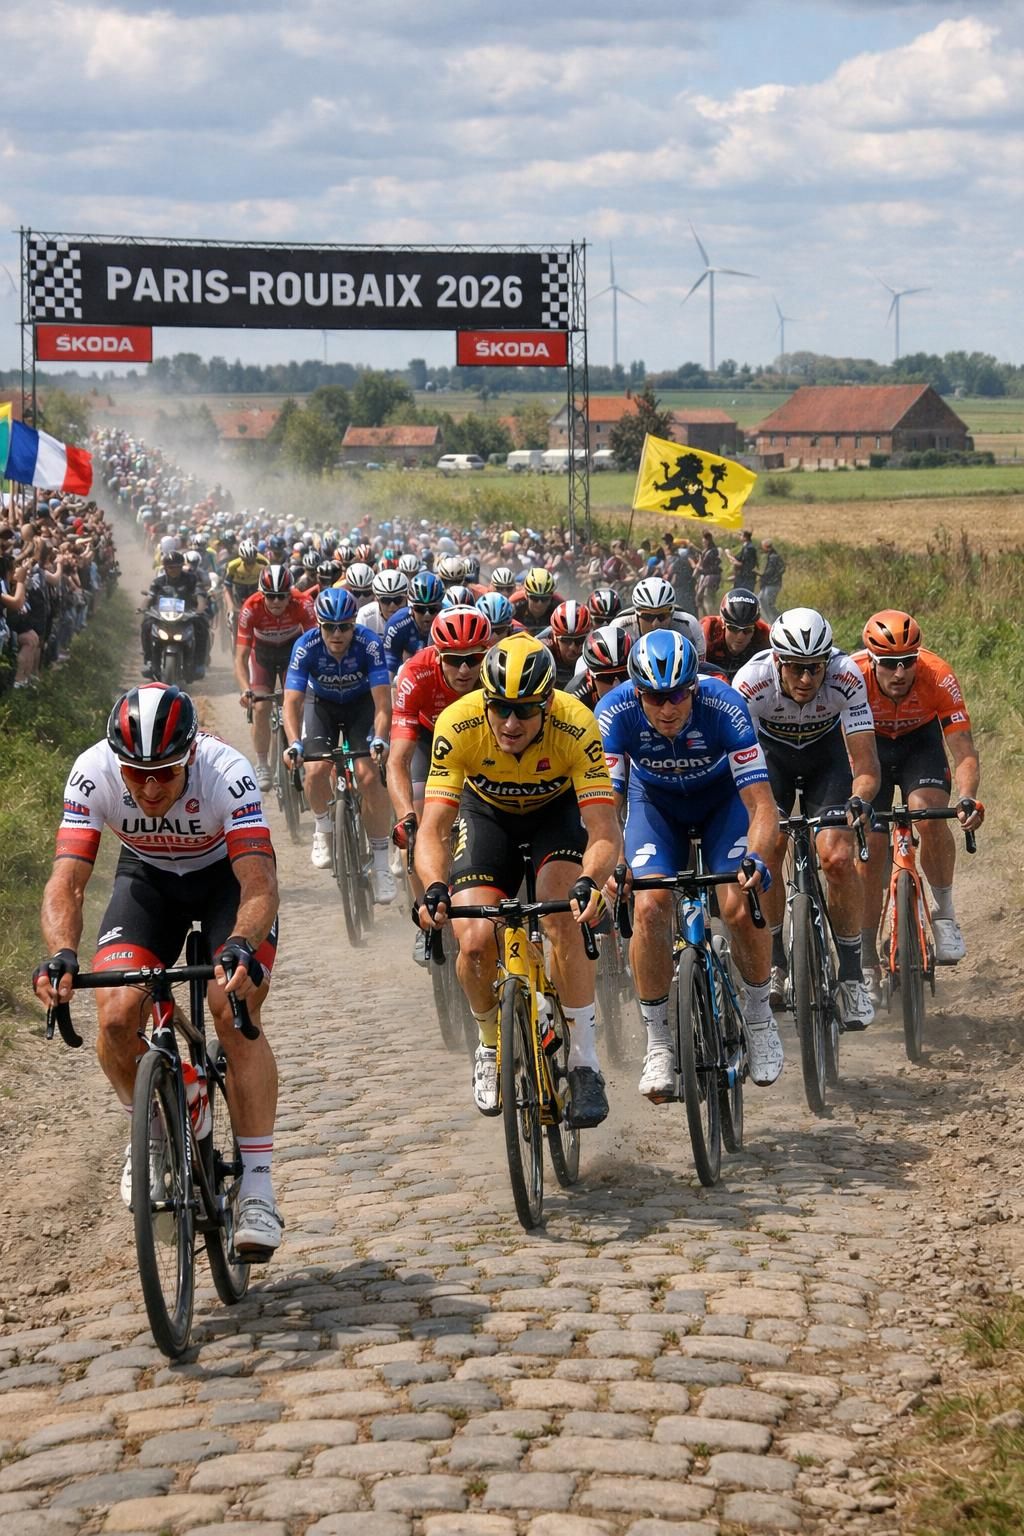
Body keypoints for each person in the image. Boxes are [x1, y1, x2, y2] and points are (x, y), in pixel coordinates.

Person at [31, 683, 284, 1258]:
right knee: (117, 1016)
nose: (148, 787)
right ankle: (152, 1127)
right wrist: (63, 953)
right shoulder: (92, 770)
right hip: (147, 882)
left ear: (190, 755)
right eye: (135, 773)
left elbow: (259, 882)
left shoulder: (226, 770)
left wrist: (241, 943)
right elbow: (67, 880)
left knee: (231, 1007)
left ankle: (259, 1188)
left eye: (165, 773)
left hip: (227, 883)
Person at [415, 636, 622, 1127]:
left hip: (556, 816)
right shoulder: (458, 724)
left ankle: (584, 1063)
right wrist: (433, 887)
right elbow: (434, 828)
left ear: (547, 703)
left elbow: (603, 828)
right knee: (474, 941)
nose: (510, 723)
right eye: (500, 708)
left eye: (525, 711)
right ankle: (490, 1042)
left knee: (562, 913)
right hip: (487, 817)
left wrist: (591, 881)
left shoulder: (576, 724)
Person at [596, 630, 783, 1095]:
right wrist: (615, 865)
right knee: (649, 906)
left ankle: (759, 1016)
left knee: (740, 904)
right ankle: (659, 1040)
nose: (667, 708)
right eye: (654, 698)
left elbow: (762, 806)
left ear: (693, 688)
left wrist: (757, 857)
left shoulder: (724, 705)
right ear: (637, 692)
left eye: (677, 694)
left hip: (723, 803)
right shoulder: (614, 713)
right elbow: (605, 811)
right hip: (655, 807)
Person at [733, 608, 880, 1029]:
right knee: (771, 844)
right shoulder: (750, 682)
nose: (805, 680)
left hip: (826, 761)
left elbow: (866, 763)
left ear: (826, 663)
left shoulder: (846, 675)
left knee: (835, 857)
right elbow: (737, 764)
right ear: (777, 661)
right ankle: (777, 959)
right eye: (796, 669)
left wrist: (859, 798)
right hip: (770, 763)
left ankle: (851, 977)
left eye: (814, 669)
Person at [852, 610, 984, 990]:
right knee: (872, 846)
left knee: (928, 816)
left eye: (908, 662)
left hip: (918, 746)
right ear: (872, 660)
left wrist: (967, 798)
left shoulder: (938, 674)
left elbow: (964, 751)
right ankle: (864, 955)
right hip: (869, 748)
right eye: (889, 664)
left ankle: (943, 914)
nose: (900, 673)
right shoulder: (852, 675)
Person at [388, 606, 493, 960]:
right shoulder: (415, 674)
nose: (465, 669)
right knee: (420, 823)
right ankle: (424, 918)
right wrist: (405, 816)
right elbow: (398, 760)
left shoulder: (496, 673)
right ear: (437, 654)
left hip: (481, 744)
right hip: (427, 739)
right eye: (454, 659)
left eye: (474, 658)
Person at [283, 587, 395, 899]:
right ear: (318, 625)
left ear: (353, 624)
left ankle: (382, 864)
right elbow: (291, 702)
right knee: (317, 769)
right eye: (329, 626)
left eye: (344, 626)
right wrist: (294, 743)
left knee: (370, 775)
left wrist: (382, 740)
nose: (337, 634)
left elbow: (383, 705)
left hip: (362, 707)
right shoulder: (306, 646)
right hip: (322, 706)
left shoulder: (368, 644)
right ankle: (322, 826)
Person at [234, 565, 315, 790]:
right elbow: (240, 657)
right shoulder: (251, 607)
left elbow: (315, 645)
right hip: (262, 655)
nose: (277, 601)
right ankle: (262, 763)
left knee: (295, 703)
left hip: (292, 653)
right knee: (260, 708)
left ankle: (297, 746)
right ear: (262, 594)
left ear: (290, 593)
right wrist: (245, 690)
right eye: (271, 596)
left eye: (281, 596)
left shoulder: (303, 603)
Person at [142, 548, 210, 679]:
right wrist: (143, 608)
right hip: (162, 617)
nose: (174, 570)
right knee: (146, 624)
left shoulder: (191, 579)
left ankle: (199, 664)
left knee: (202, 625)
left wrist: (200, 610)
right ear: (166, 568)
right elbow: (150, 597)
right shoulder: (158, 582)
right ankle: (149, 661)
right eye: (171, 567)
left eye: (178, 567)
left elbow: (200, 595)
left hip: (187, 616)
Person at [383, 570, 445, 676]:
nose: (427, 615)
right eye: (420, 609)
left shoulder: (448, 620)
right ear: (411, 608)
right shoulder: (396, 624)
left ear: (441, 607)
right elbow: (390, 664)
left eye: (433, 609)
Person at [701, 589, 772, 680]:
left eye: (747, 630)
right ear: (723, 624)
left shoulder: (764, 634)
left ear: (755, 628)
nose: (740, 636)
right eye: (733, 629)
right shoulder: (708, 630)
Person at [565, 625, 632, 710]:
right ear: (591, 675)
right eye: (607, 678)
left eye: (623, 675)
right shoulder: (574, 697)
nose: (616, 685)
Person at [510, 567, 564, 634]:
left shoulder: (558, 609)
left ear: (551, 598)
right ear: (526, 596)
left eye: (545, 599)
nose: (539, 603)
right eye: (534, 598)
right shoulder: (515, 608)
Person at [694, 530, 722, 618]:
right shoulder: (707, 551)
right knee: (701, 600)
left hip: (710, 578)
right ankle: (705, 618)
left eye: (704, 540)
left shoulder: (713, 551)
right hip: (705, 578)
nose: (703, 542)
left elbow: (711, 567)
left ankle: (712, 619)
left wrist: (698, 567)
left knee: (708, 600)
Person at [759, 540, 785, 622]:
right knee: (761, 600)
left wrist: (760, 574)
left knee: (768, 604)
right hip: (771, 584)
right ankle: (769, 620)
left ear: (766, 547)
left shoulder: (773, 557)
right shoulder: (773, 555)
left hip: (772, 584)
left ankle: (777, 620)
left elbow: (770, 571)